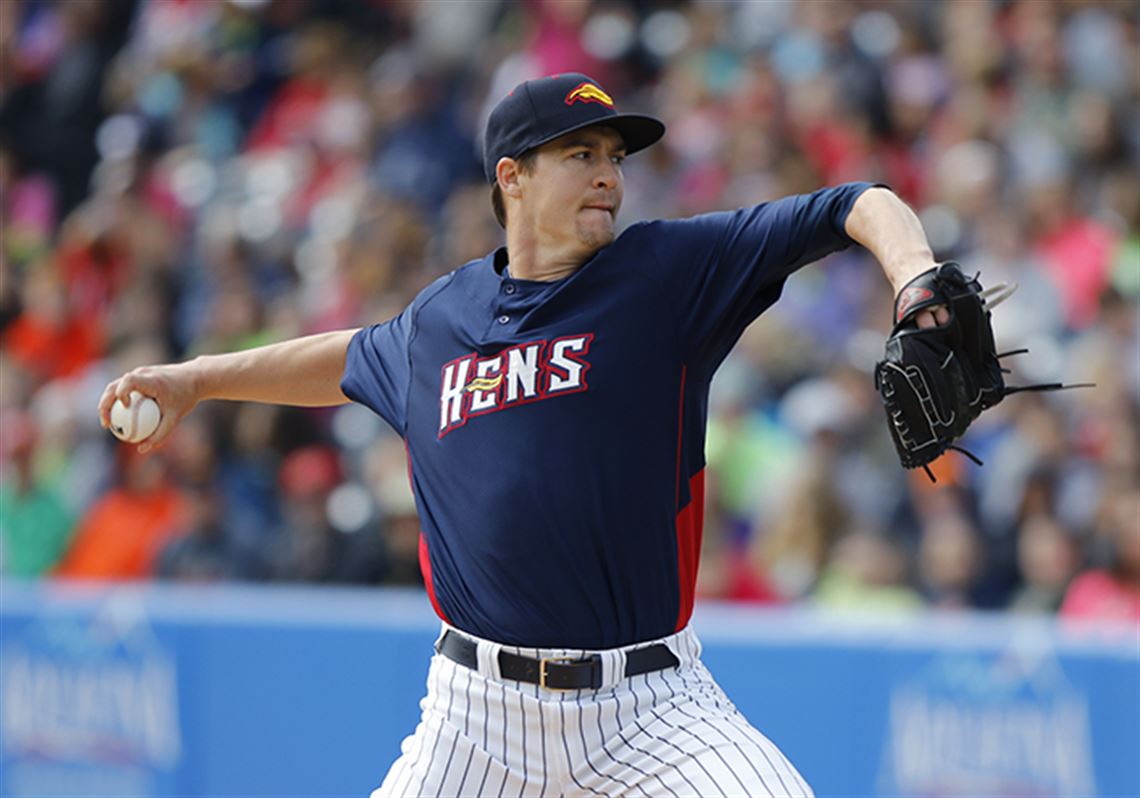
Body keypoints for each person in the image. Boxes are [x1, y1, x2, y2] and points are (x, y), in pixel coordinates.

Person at [100, 72, 950, 797]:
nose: (608, 176)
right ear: (512, 177)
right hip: (474, 719)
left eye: (616, 158)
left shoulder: (663, 276)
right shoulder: (440, 322)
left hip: (650, 709)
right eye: (581, 154)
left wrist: (916, 279)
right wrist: (196, 378)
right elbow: (348, 358)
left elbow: (855, 203)